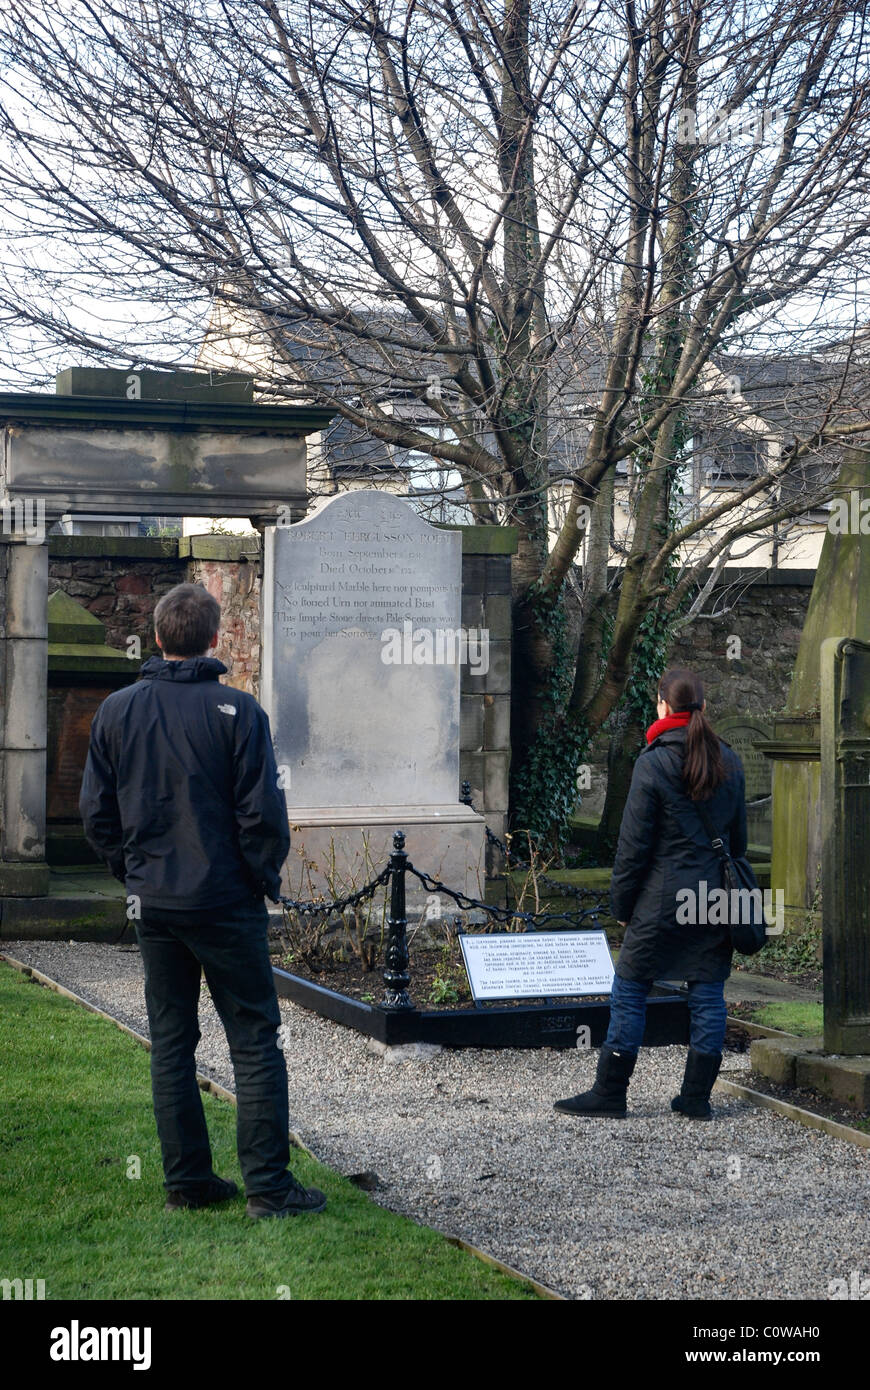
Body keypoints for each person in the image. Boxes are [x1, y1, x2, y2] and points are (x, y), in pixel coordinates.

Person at [80, 582, 326, 1218]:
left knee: (171, 1040)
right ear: (214, 639)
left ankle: (188, 1180)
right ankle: (268, 1189)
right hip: (223, 901)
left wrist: (133, 874)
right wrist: (259, 879)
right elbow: (263, 816)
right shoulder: (240, 713)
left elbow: (97, 816)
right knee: (253, 1041)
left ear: (159, 637)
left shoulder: (117, 711)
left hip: (156, 904)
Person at [555, 666, 746, 1121]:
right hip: (713, 898)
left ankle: (610, 1093)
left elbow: (633, 848)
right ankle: (696, 1098)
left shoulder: (653, 761)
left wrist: (622, 906)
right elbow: (736, 844)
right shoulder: (731, 760)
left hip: (660, 901)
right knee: (707, 993)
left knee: (630, 988)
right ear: (704, 707)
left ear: (663, 705)